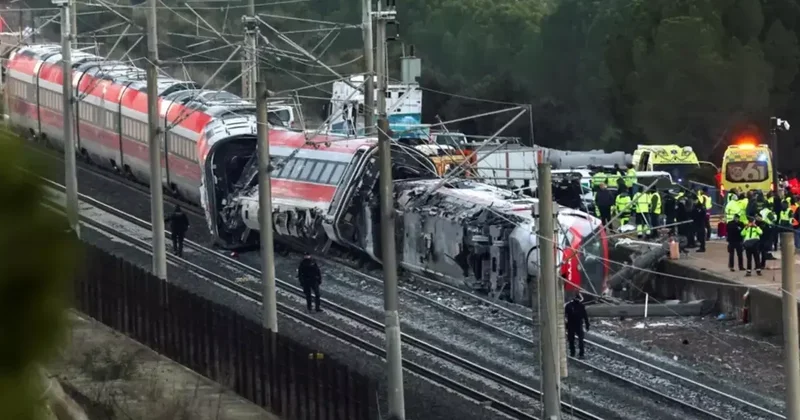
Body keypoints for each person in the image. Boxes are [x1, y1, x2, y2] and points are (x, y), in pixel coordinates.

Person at [564, 292, 590, 359]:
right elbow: (585, 316)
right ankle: (581, 354)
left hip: (571, 325)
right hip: (578, 325)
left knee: (571, 340)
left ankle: (573, 353)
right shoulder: (581, 306)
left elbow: (564, 316)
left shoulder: (568, 305)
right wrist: (587, 325)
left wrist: (565, 325)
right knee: (580, 340)